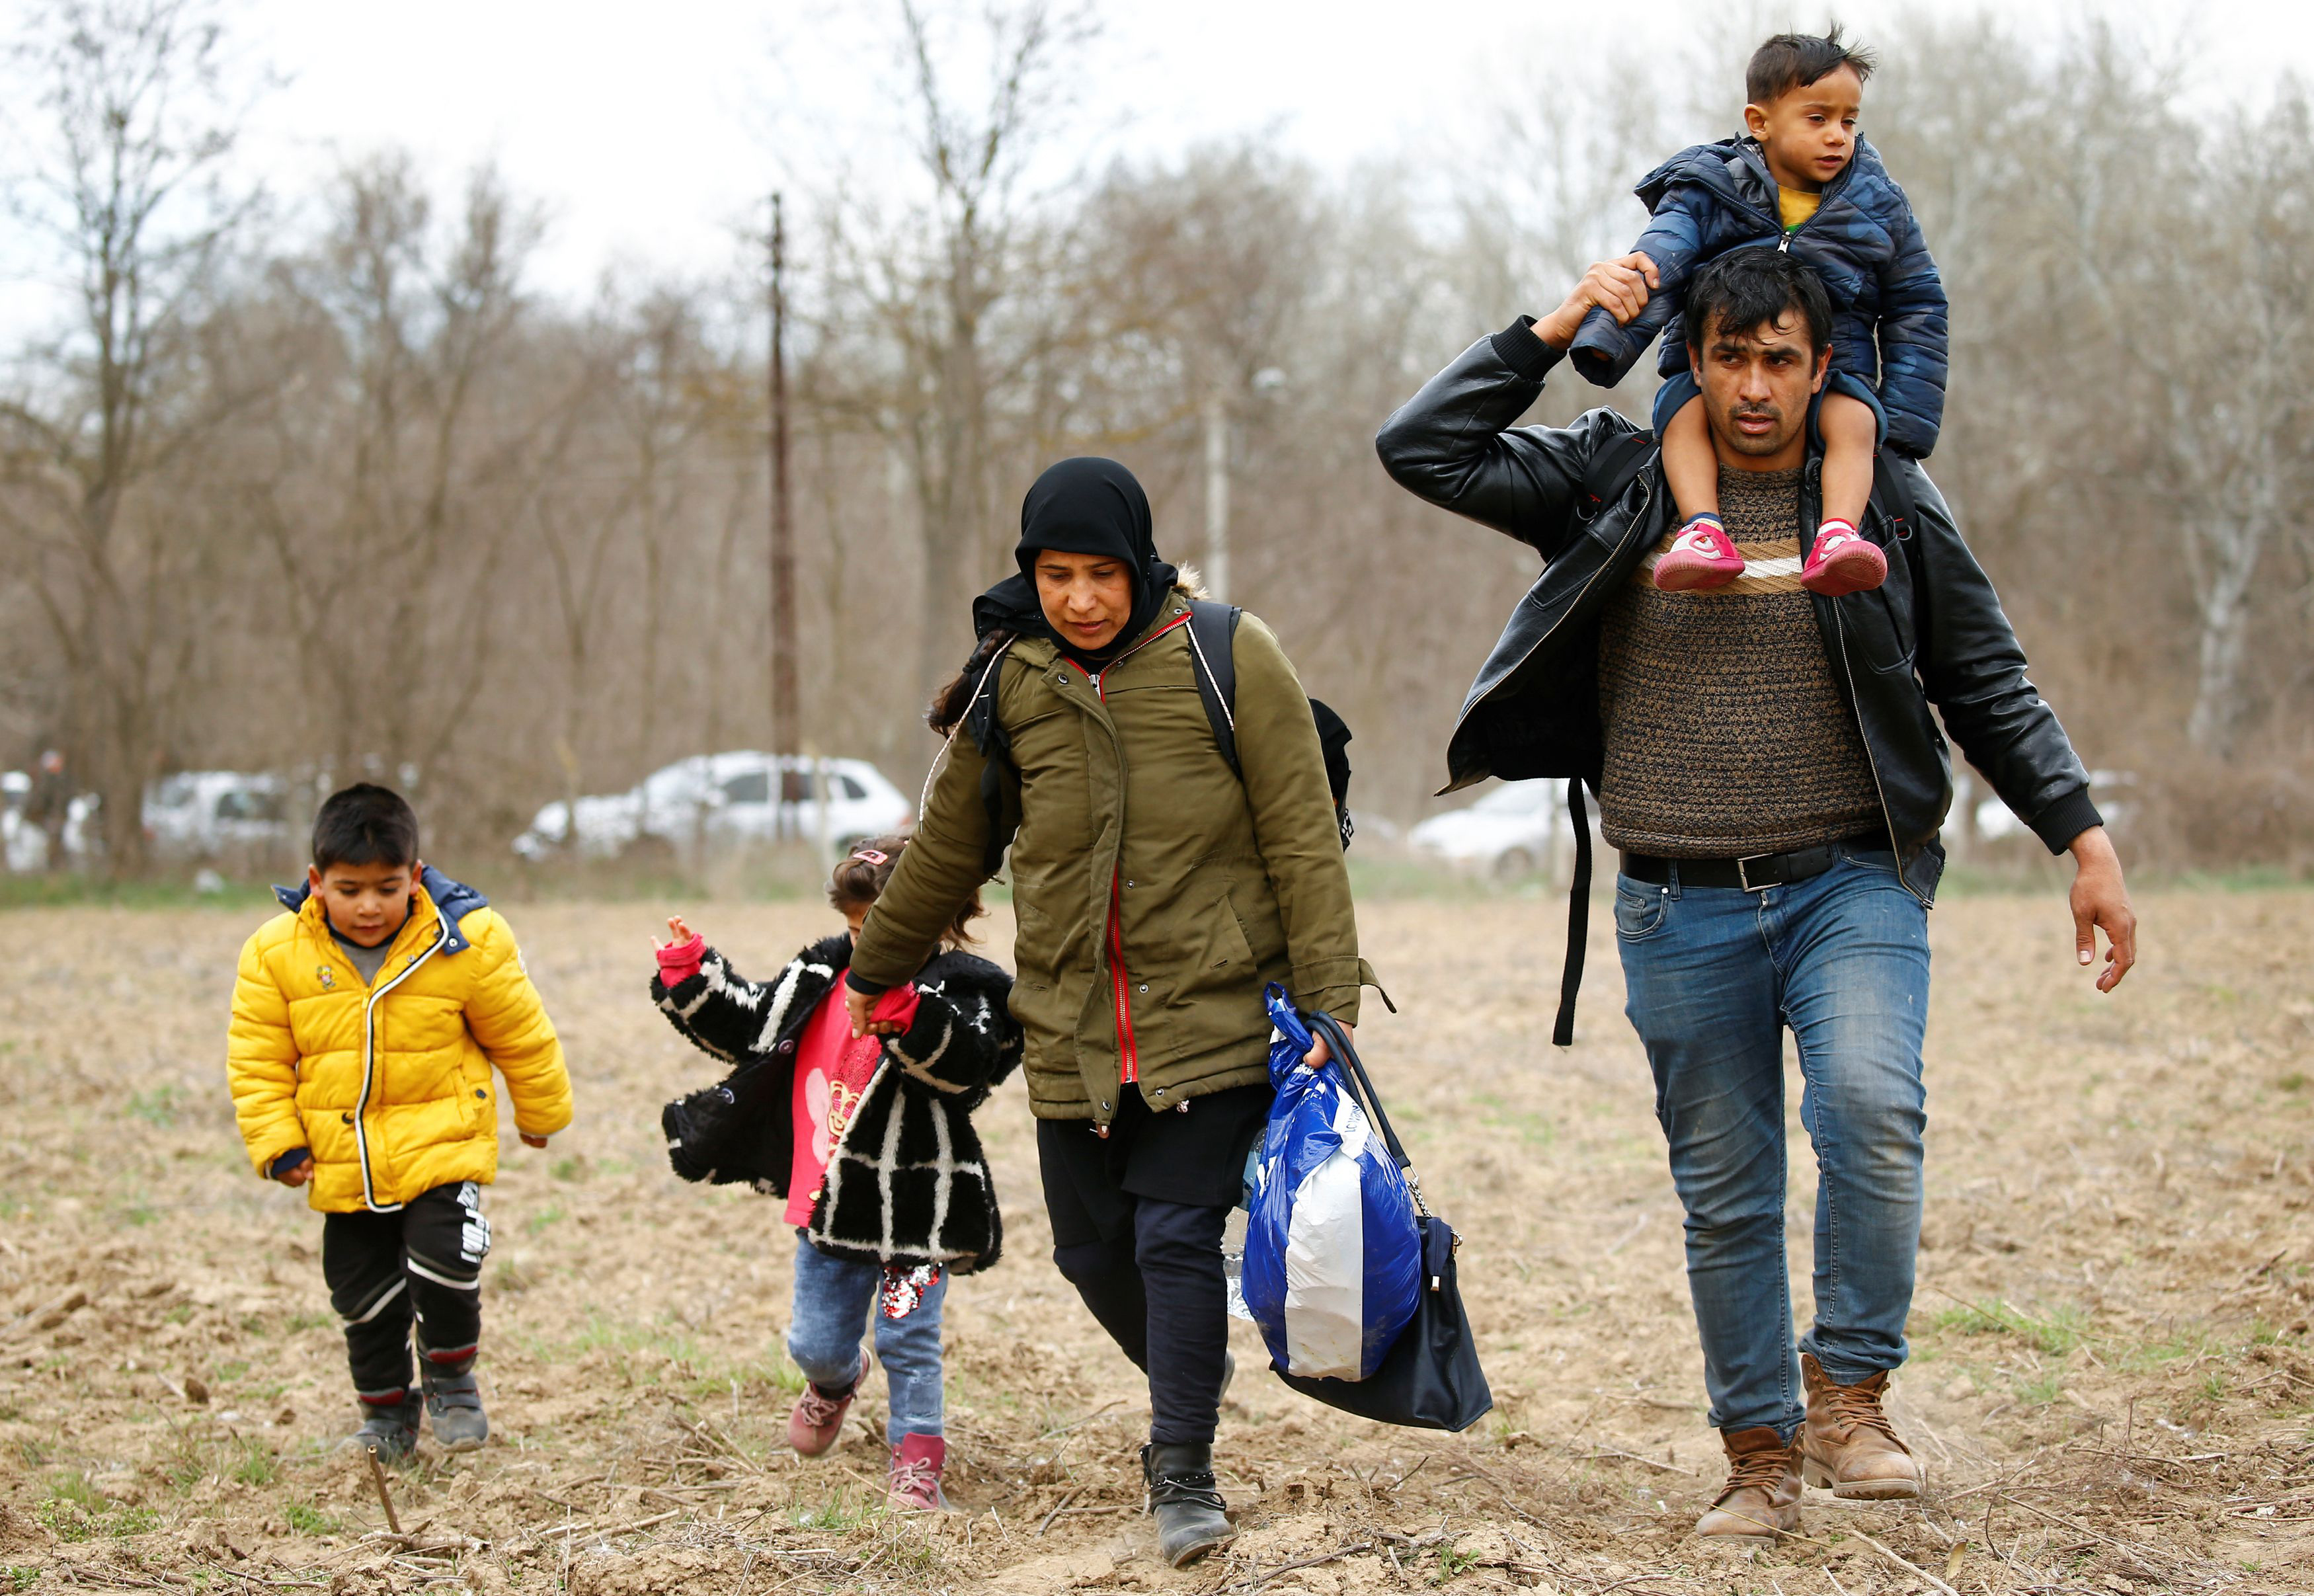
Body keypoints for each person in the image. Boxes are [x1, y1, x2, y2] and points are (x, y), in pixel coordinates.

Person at [1376, 249, 2135, 1543]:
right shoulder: (1618, 478)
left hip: (1852, 878)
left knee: (1869, 1107)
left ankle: (1847, 1392)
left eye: (1779, 358)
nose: (1751, 386)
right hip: (1677, 900)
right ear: (1695, 359)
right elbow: (1425, 447)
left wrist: (2084, 838)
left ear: (1819, 367)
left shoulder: (1881, 497)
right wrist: (1557, 324)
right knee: (1726, 1194)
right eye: (1728, 356)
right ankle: (1757, 1455)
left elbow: (1985, 679)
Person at [842, 457, 1375, 1568]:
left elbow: (1300, 832)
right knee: (1093, 1253)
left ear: (1138, 563)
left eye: (1099, 573)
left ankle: (1180, 1465)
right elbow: (946, 852)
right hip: (1072, 1025)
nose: (1079, 597)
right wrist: (868, 973)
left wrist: (1329, 989)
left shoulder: (1229, 653)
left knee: (1177, 1237)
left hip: (1216, 1014)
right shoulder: (1013, 684)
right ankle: (1197, 1377)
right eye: (1054, 573)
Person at [647, 836, 1022, 1510]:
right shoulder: (825, 969)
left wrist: (906, 1015)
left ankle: (916, 1462)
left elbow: (970, 1066)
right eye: (856, 929)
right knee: (815, 1341)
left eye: (885, 932)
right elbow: (754, 1024)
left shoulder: (969, 986)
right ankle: (833, 1381)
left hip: (917, 1214)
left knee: (908, 1338)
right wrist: (690, 974)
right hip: (829, 1204)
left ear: (937, 913)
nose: (865, 947)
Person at [226, 783, 572, 1460]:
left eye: (386, 887)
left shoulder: (466, 939)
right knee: (363, 1297)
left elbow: (522, 1033)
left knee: (446, 1261)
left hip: (444, 1139)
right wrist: (279, 1142)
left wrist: (540, 1110)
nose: (367, 906)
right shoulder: (275, 953)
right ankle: (386, 1412)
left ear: (415, 877)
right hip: (341, 1154)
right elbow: (257, 1059)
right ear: (316, 881)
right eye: (349, 888)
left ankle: (451, 1375)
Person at [1568, 26, 1945, 600]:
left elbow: (1917, 302)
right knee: (1682, 415)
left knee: (1856, 424)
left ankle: (1840, 535)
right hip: (1712, 370)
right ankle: (1703, 530)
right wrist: (1607, 336)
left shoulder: (1877, 202)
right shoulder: (1708, 187)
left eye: (1848, 121)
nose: (1837, 137)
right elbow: (1659, 263)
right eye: (1817, 119)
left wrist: (1907, 421)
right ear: (1760, 121)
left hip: (1832, 364)